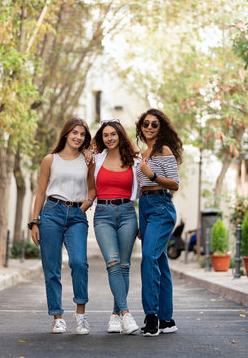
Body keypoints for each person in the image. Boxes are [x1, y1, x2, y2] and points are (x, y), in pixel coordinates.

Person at [29, 118, 96, 335]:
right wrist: (34, 221)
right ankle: (57, 317)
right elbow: (40, 192)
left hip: (77, 214)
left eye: (82, 134)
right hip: (52, 212)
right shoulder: (50, 160)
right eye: (74, 132)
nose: (78, 137)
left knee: (79, 263)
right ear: (66, 134)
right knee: (52, 267)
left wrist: (87, 203)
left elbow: (92, 189)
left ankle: (81, 315)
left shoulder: (88, 160)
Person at [135, 108, 183, 337]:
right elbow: (138, 189)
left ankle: (151, 316)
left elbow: (174, 184)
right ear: (141, 126)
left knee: (149, 257)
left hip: (161, 207)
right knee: (160, 262)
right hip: (145, 208)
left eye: (155, 124)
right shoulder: (143, 152)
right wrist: (138, 219)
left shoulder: (164, 150)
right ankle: (167, 319)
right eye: (146, 123)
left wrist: (151, 174)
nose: (150, 127)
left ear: (160, 127)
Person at [91, 119, 141, 334]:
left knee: (124, 266)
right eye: (105, 135)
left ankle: (114, 315)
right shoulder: (95, 158)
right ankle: (126, 314)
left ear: (120, 135)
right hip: (103, 215)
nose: (109, 138)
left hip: (128, 213)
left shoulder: (135, 160)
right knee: (112, 262)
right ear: (101, 138)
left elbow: (143, 191)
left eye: (113, 134)